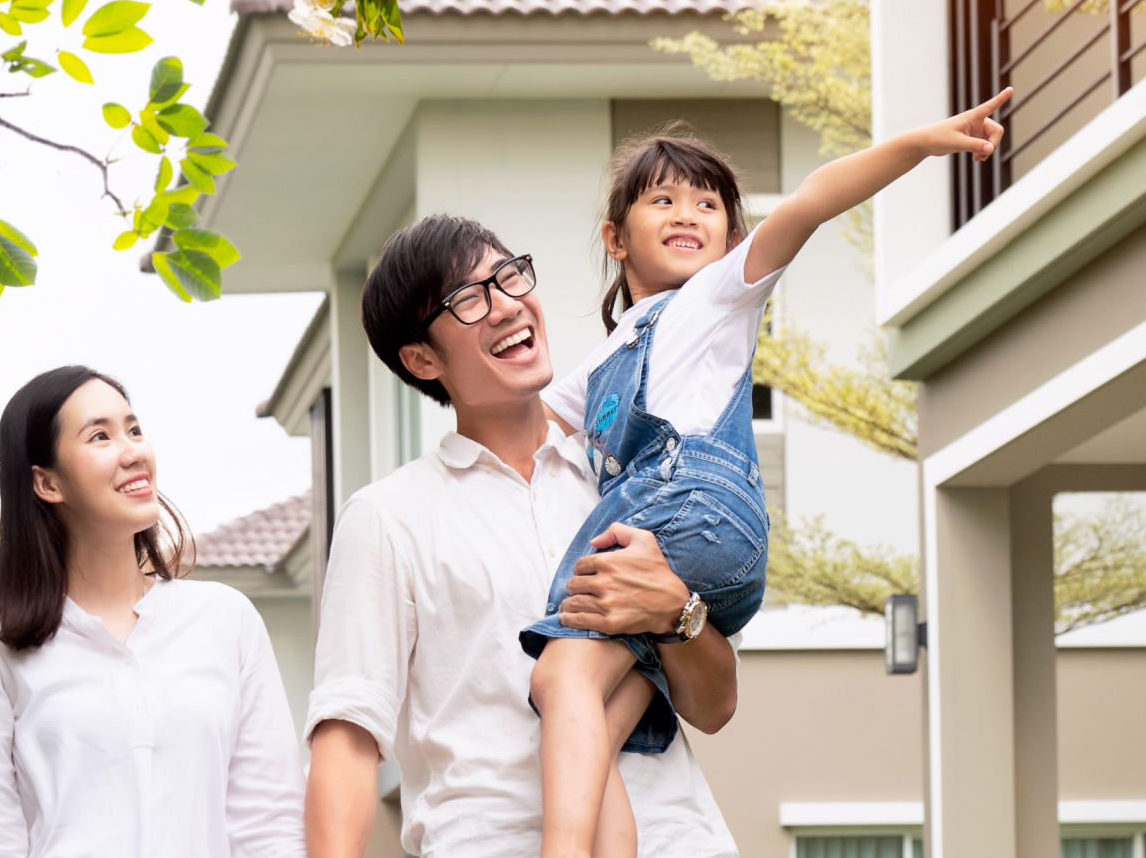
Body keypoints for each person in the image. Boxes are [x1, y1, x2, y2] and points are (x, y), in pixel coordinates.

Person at [520, 88, 1013, 857]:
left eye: (708, 204)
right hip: (712, 554)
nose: (688, 213)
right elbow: (529, 424)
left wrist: (917, 144)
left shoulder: (717, 299)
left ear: (730, 240)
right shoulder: (609, 352)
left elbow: (812, 201)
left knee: (558, 680)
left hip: (686, 512)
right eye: (664, 200)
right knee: (596, 732)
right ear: (616, 237)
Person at [304, 215, 741, 858]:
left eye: (509, 276)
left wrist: (676, 612)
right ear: (422, 358)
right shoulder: (390, 515)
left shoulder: (624, 478)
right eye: (470, 299)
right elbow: (347, 733)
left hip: (678, 838)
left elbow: (715, 707)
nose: (507, 306)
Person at [0, 366, 306, 858]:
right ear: (47, 483)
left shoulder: (226, 620)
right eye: (100, 436)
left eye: (134, 429)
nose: (134, 451)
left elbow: (270, 825)